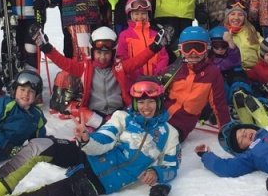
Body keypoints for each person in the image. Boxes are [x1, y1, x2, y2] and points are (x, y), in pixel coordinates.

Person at [0, 76, 180, 196]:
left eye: (151, 102)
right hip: (87, 155)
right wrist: (87, 139)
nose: (146, 107)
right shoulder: (122, 117)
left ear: (159, 101)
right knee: (40, 145)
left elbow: (171, 166)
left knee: (45, 195)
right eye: (141, 102)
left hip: (100, 183)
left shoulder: (169, 134)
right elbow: (105, 138)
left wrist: (157, 174)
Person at [36, 25, 169, 127]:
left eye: (107, 53)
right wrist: (46, 47)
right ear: (92, 51)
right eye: (99, 53)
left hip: (118, 111)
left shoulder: (120, 67)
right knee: (92, 129)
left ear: (113, 53)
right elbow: (63, 62)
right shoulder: (84, 67)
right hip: (94, 113)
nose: (103, 57)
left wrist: (155, 46)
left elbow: (139, 60)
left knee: (127, 129)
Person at [162, 26, 231, 140]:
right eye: (188, 48)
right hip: (160, 115)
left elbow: (219, 105)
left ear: (207, 48)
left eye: (199, 48)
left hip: (181, 124)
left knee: (162, 140)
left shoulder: (212, 73)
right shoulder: (176, 67)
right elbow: (155, 84)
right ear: (181, 49)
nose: (193, 53)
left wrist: (227, 132)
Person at [115, 0, 169, 83]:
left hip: (155, 80)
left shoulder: (156, 35)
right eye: (136, 14)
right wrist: (135, 76)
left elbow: (164, 57)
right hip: (134, 81)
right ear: (130, 15)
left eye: (143, 13)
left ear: (148, 15)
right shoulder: (124, 35)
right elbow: (123, 59)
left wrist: (157, 74)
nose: (140, 16)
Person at [224, 0, 261, 70]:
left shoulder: (252, 32)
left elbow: (264, 51)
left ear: (245, 18)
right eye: (232, 14)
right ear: (227, 16)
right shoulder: (221, 33)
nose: (236, 18)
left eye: (240, 15)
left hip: (253, 71)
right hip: (232, 72)